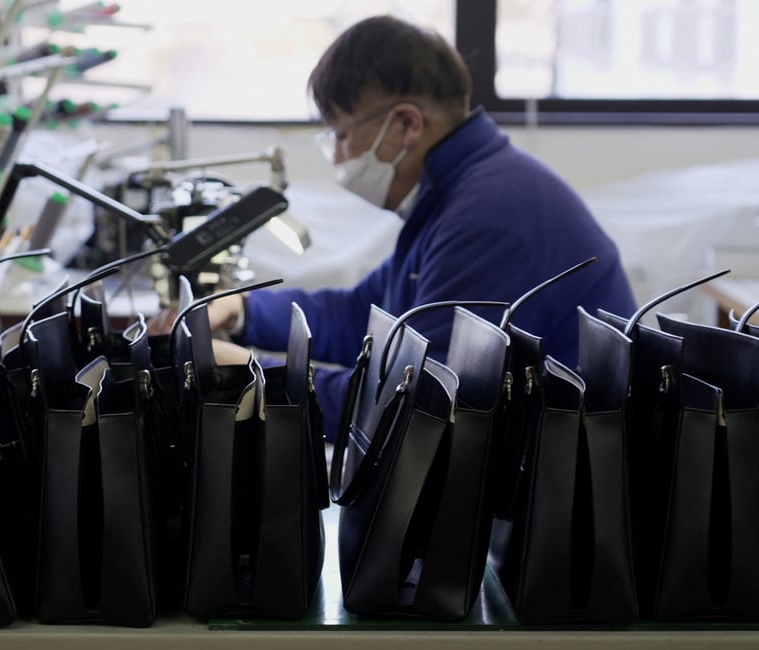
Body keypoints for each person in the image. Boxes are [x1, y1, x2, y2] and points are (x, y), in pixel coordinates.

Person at [198, 14, 637, 442]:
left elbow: (412, 414)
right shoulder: (455, 193)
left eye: (343, 134)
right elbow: (364, 317)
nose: (337, 155)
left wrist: (255, 378)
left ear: (406, 124)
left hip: (546, 492)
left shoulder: (491, 214)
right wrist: (244, 311)